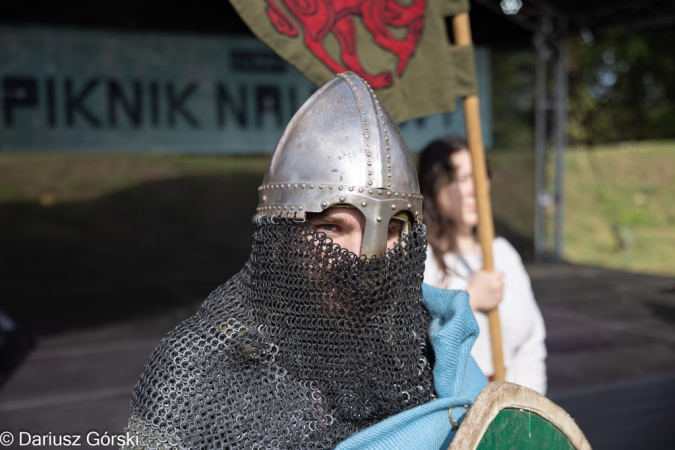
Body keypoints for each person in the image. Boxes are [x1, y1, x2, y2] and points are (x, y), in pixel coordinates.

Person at [124, 73, 487, 449]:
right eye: (332, 228)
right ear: (281, 237)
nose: (364, 257)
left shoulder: (436, 352)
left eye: (392, 229)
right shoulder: (196, 367)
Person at [418, 135, 547, 395]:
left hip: (516, 411)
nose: (474, 188)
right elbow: (417, 352)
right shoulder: (420, 260)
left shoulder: (503, 254)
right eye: (461, 178)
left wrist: (526, 411)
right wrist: (470, 300)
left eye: (479, 175)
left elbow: (532, 343)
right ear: (433, 186)